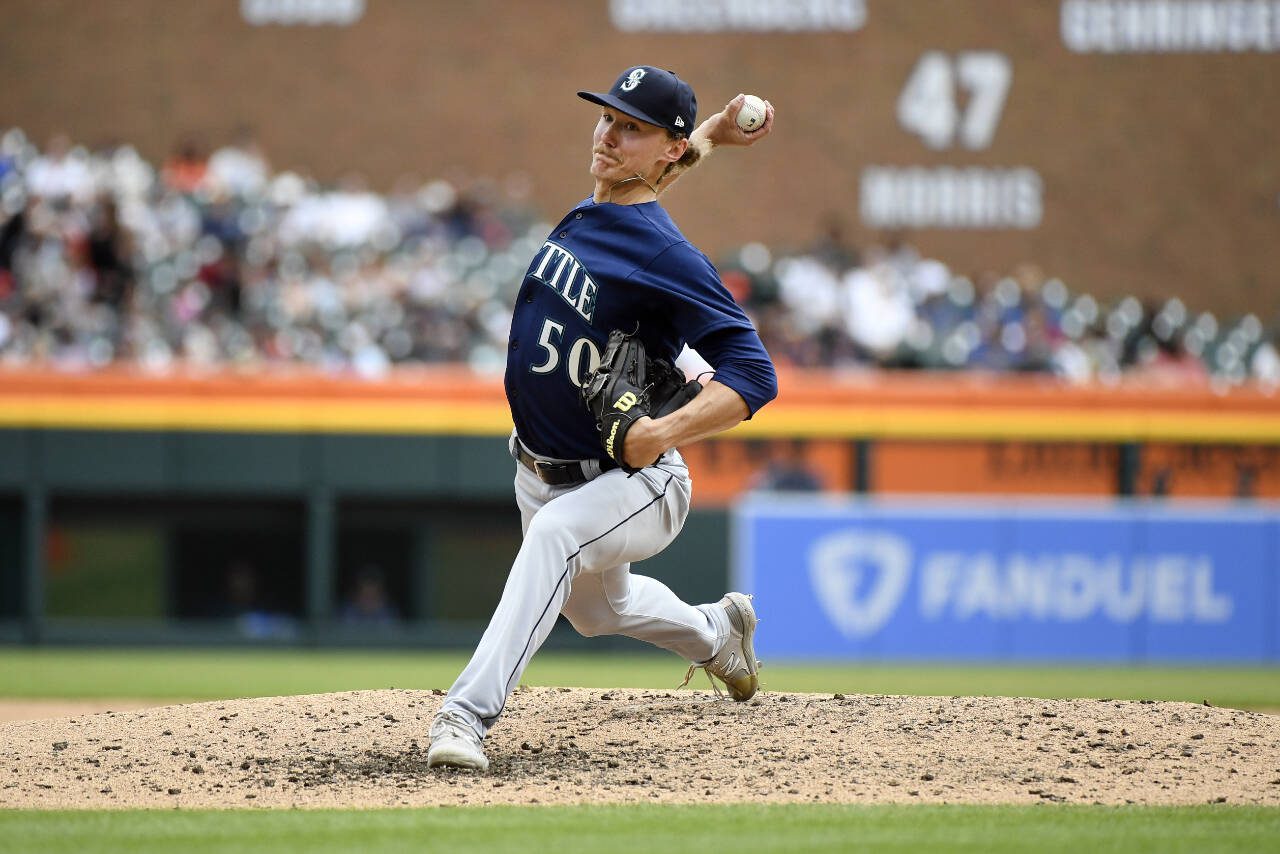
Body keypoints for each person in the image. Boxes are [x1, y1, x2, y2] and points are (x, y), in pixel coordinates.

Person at [427, 67, 778, 771]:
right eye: (608, 118)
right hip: (540, 465)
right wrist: (705, 136)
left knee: (558, 538)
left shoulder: (668, 255)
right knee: (596, 611)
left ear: (665, 149)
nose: (609, 135)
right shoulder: (602, 207)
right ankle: (718, 634)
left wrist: (660, 434)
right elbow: (641, 197)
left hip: (633, 478)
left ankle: (463, 717)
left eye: (632, 128)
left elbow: (754, 375)